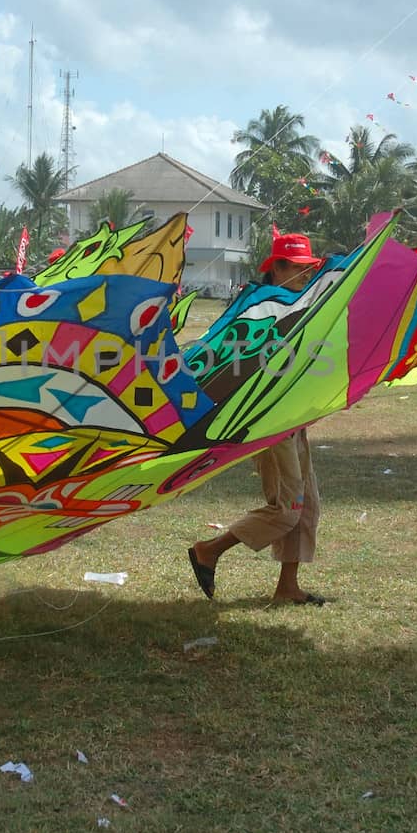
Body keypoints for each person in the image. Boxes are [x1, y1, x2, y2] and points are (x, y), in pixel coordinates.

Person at [186, 233, 327, 606]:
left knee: (306, 506)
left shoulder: (303, 305)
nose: (303, 275)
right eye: (296, 268)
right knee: (287, 508)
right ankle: (209, 550)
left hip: (292, 418)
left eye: (307, 269)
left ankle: (287, 588)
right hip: (266, 422)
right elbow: (228, 358)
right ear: (276, 267)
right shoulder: (257, 308)